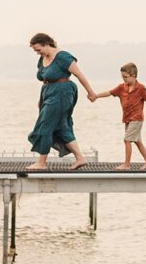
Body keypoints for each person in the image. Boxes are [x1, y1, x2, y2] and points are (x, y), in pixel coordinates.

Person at [26, 33, 98, 171]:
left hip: (62, 92)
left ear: (46, 44)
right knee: (61, 126)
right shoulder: (43, 58)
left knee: (45, 125)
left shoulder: (63, 57)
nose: (37, 53)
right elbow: (45, 80)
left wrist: (90, 92)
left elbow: (79, 74)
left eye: (38, 49)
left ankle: (41, 163)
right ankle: (80, 158)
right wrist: (41, 99)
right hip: (48, 93)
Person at [95, 62, 146, 170]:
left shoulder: (141, 88)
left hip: (137, 119)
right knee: (137, 141)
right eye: (122, 77)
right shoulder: (121, 87)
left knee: (127, 140)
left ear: (134, 76)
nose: (124, 79)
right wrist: (96, 96)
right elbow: (109, 92)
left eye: (126, 77)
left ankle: (127, 165)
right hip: (127, 119)